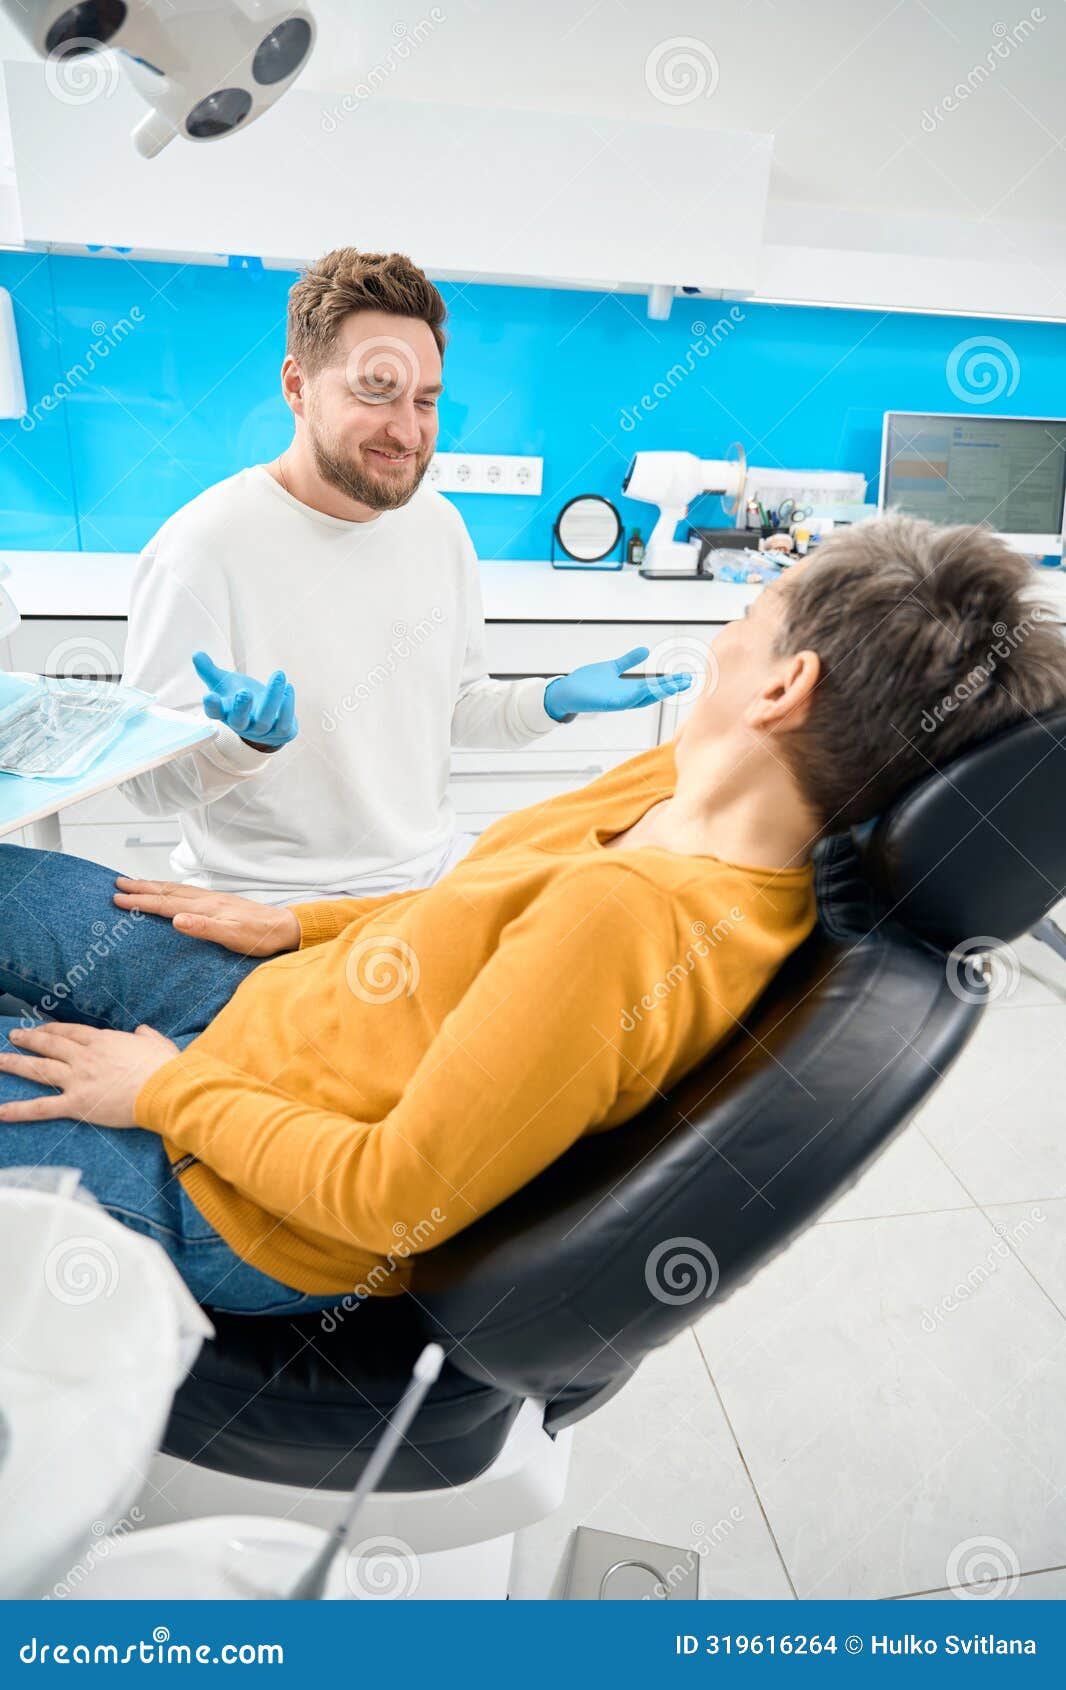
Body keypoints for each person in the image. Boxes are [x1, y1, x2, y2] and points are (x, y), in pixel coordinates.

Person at [1, 515, 1063, 1316]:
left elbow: (384, 1202)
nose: (720, 634)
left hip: (239, 1195)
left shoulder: (630, 921)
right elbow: (479, 910)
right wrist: (298, 926)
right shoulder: (672, 780)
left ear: (785, 687)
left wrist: (162, 1091)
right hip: (268, 998)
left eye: (749, 611)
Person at [119, 246, 690, 905]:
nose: (407, 430)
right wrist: (239, 746)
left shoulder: (437, 527)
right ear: (298, 386)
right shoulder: (200, 548)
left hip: (422, 886)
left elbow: (454, 710)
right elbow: (146, 785)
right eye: (376, 391)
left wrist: (553, 697)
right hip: (264, 903)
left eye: (424, 400)